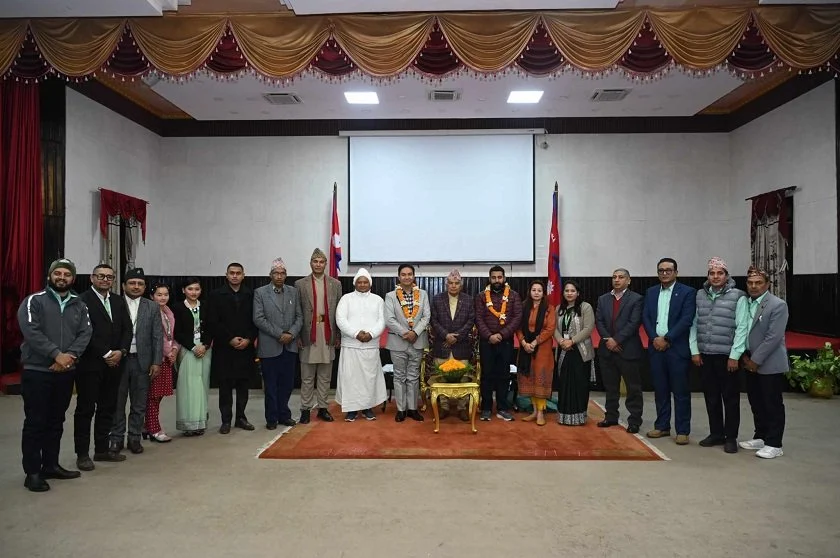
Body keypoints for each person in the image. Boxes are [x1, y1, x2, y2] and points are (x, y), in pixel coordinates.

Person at [17, 258, 92, 492]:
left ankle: (50, 465)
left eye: (67, 274)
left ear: (73, 278)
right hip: (37, 372)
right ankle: (32, 472)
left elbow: (85, 333)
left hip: (65, 372)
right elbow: (31, 331)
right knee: (35, 422)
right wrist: (56, 354)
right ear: (50, 276)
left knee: (56, 421)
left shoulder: (80, 305)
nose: (62, 277)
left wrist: (69, 356)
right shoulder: (34, 301)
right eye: (57, 273)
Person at [74, 264, 132, 470]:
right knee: (85, 409)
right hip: (90, 364)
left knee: (108, 407)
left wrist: (121, 351)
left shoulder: (118, 300)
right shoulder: (81, 300)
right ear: (92, 278)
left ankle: (101, 450)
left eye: (109, 277)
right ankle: (82, 454)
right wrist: (106, 353)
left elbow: (127, 329)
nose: (105, 280)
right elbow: (83, 331)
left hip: (115, 363)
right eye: (101, 276)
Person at [689, 257, 749, 454]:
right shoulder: (700, 295)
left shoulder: (738, 296)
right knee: (711, 397)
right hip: (705, 355)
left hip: (727, 356)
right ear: (708, 276)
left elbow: (742, 327)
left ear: (726, 275)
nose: (715, 277)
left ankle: (730, 437)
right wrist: (695, 351)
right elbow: (693, 324)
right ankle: (716, 433)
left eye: (720, 273)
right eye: (712, 273)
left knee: (730, 398)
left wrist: (735, 355)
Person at [643, 258, 697, 445]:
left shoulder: (688, 292)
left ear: (676, 272)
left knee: (681, 392)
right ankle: (662, 426)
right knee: (660, 390)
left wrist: (667, 339)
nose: (664, 273)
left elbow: (687, 319)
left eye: (668, 270)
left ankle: (682, 430)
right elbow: (646, 317)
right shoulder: (651, 292)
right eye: (661, 270)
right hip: (655, 347)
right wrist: (654, 338)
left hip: (676, 349)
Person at [738, 266, 790, 459]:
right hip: (749, 360)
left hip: (769, 363)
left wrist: (755, 360)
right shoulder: (745, 302)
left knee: (772, 403)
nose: (754, 286)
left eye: (758, 283)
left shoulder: (778, 305)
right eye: (750, 283)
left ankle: (775, 443)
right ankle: (760, 436)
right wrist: (745, 356)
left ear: (767, 284)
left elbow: (773, 337)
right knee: (756, 401)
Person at [110, 268, 163, 454]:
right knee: (117, 403)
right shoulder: (115, 303)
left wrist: (156, 362)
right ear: (123, 285)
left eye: (140, 284)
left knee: (139, 404)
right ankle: (116, 438)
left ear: (145, 287)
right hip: (119, 361)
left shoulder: (152, 306)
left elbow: (157, 336)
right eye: (132, 283)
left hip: (143, 362)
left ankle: (134, 438)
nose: (136, 286)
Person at [208, 263, 258, 434]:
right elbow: (213, 321)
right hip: (224, 348)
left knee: (243, 385)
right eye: (232, 273)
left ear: (243, 275)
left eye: (238, 273)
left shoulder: (251, 294)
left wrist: (248, 339)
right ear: (226, 275)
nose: (235, 276)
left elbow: (256, 320)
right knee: (225, 386)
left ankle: (241, 418)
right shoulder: (216, 295)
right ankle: (226, 420)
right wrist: (229, 339)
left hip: (246, 347)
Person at [253, 258, 302, 429]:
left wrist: (291, 334)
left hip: (290, 346)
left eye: (282, 273)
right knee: (271, 386)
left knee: (287, 385)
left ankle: (284, 415)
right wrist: (280, 334)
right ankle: (272, 418)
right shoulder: (260, 293)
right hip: (269, 347)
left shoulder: (293, 292)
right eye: (276, 273)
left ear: (286, 275)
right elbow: (258, 318)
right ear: (270, 275)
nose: (279, 276)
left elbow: (299, 317)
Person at [294, 248, 342, 424]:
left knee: (325, 375)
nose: (318, 265)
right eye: (315, 261)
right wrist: (298, 335)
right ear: (310, 263)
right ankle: (305, 409)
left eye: (321, 262)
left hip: (327, 333)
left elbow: (339, 312)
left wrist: (338, 335)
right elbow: (297, 311)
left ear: (326, 264)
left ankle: (322, 408)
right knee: (307, 376)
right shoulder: (300, 284)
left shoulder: (335, 284)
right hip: (308, 333)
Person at [594, 268, 645, 433]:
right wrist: (609, 340)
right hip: (607, 350)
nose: (617, 280)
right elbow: (599, 321)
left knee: (633, 388)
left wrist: (616, 340)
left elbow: (634, 323)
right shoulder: (603, 299)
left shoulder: (636, 299)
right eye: (614, 277)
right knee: (611, 387)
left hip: (628, 350)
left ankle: (634, 420)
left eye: (621, 277)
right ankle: (610, 416)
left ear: (628, 281)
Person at [335, 268, 386, 422]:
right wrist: (356, 333)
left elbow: (382, 321)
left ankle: (367, 408)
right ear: (355, 283)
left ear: (370, 284)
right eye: (360, 282)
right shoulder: (346, 299)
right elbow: (340, 319)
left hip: (370, 345)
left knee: (369, 379)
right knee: (350, 379)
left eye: (365, 282)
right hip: (351, 346)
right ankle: (351, 410)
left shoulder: (378, 300)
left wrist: (371, 334)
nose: (362, 285)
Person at [475, 265, 522, 422]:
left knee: (504, 375)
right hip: (486, 342)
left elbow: (517, 318)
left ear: (504, 278)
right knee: (487, 375)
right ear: (489, 279)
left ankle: (502, 408)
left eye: (499, 277)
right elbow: (478, 318)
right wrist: (489, 336)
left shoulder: (514, 296)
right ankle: (486, 408)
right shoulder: (481, 296)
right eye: (494, 277)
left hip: (505, 342)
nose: (497, 280)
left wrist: (501, 335)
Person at [384, 264, 430, 422]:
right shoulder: (390, 296)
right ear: (399, 277)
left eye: (410, 274)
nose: (407, 277)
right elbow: (389, 319)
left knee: (413, 376)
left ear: (414, 276)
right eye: (403, 274)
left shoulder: (423, 294)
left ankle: (412, 409)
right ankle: (401, 409)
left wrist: (415, 332)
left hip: (417, 340)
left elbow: (426, 316)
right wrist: (405, 333)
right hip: (398, 341)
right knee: (399, 376)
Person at [429, 269, 475, 421]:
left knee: (464, 378)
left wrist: (457, 336)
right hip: (442, 345)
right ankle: (444, 407)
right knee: (441, 377)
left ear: (461, 285)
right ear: (446, 284)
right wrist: (446, 335)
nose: (453, 286)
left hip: (461, 346)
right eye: (450, 283)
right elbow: (433, 320)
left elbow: (471, 320)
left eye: (456, 283)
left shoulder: (468, 300)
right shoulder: (437, 299)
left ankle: (462, 408)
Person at [173, 277, 212, 436]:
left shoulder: (206, 306)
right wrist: (193, 347)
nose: (193, 292)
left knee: (202, 385)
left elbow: (211, 328)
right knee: (188, 387)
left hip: (205, 350)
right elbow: (177, 332)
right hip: (187, 350)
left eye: (197, 289)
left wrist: (205, 345)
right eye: (190, 289)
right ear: (183, 290)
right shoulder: (177, 308)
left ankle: (200, 422)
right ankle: (188, 424)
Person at [516, 280, 557, 426]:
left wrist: (534, 342)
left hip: (542, 349)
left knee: (541, 379)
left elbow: (550, 329)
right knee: (530, 379)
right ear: (530, 292)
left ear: (543, 293)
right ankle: (534, 411)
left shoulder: (549, 308)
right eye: (534, 290)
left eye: (539, 290)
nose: (536, 293)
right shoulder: (523, 306)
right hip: (526, 349)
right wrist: (523, 343)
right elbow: (518, 327)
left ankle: (540, 412)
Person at [554, 280, 595, 426]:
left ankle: (579, 417)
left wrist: (572, 341)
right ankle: (564, 416)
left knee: (579, 383)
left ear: (578, 293)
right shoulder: (559, 308)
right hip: (563, 350)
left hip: (580, 350)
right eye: (567, 291)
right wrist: (561, 341)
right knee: (564, 384)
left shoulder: (585, 307)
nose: (569, 293)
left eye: (572, 291)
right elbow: (554, 328)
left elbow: (588, 328)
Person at [144, 283, 179, 443]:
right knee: (153, 395)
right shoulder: (149, 312)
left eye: (166, 294)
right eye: (159, 295)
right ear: (152, 296)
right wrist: (168, 352)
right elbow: (155, 337)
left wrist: (174, 350)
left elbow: (172, 335)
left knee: (159, 396)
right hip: (155, 359)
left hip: (168, 358)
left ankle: (147, 425)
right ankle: (154, 428)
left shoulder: (167, 311)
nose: (163, 297)